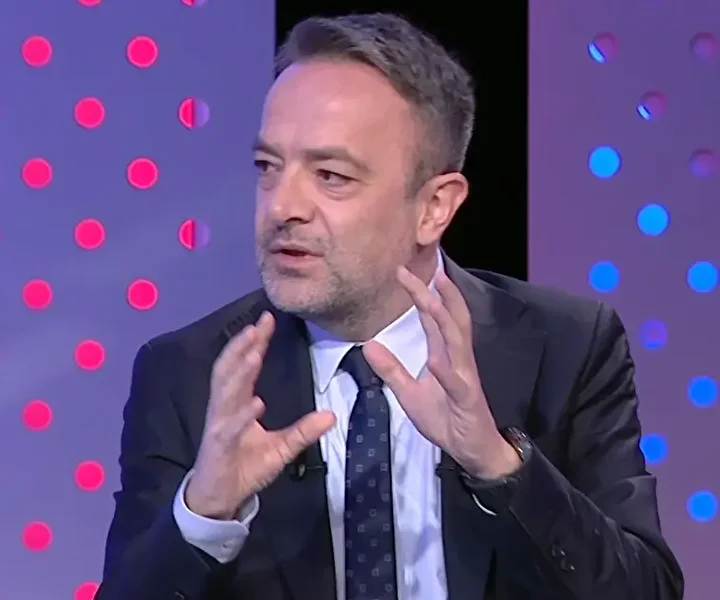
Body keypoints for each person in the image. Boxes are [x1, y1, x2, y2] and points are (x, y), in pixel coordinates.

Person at [95, 12, 683, 600]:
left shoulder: (566, 347)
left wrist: (500, 465)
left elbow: (648, 591)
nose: (281, 207)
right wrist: (204, 515)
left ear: (434, 208)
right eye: (267, 168)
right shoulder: (189, 375)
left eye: (331, 175)